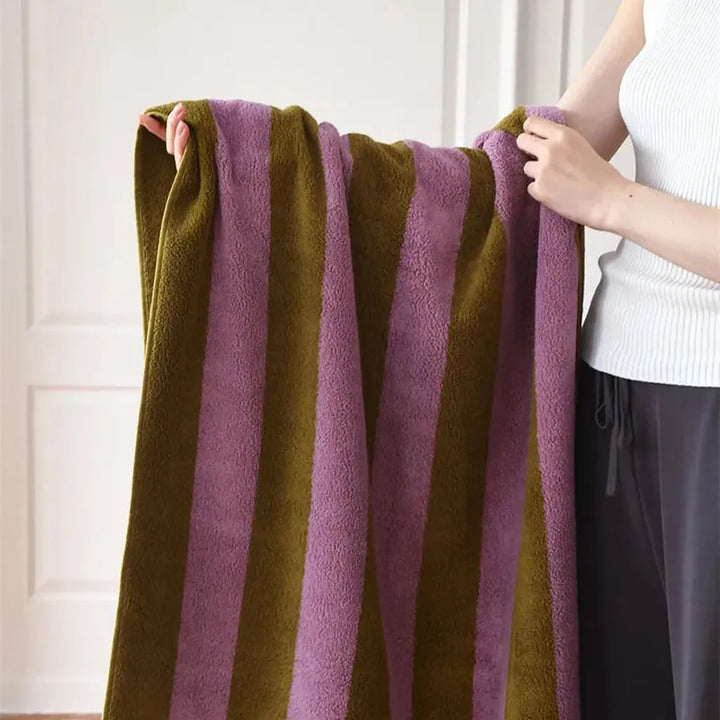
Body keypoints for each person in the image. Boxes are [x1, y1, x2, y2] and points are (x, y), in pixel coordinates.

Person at [139, 1, 719, 716]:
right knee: (619, 693)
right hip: (613, 396)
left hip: (710, 404)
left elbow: (589, 185)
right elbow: (527, 163)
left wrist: (612, 202)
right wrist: (257, 163)